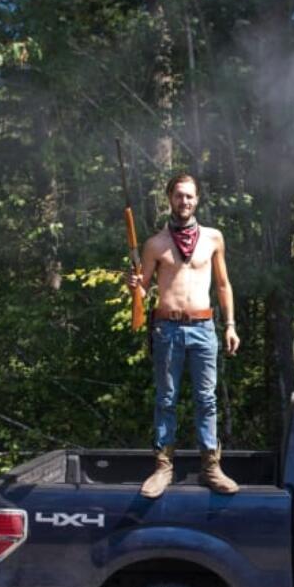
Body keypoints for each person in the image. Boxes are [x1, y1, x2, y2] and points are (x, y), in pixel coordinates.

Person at [127, 173, 240, 497]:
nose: (184, 201)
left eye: (190, 196)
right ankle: (163, 467)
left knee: (207, 399)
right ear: (170, 199)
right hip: (168, 329)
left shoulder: (213, 238)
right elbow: (143, 289)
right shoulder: (155, 244)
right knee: (166, 399)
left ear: (197, 200)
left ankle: (211, 467)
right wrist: (134, 285)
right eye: (179, 196)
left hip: (204, 328)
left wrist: (230, 325)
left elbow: (222, 284)